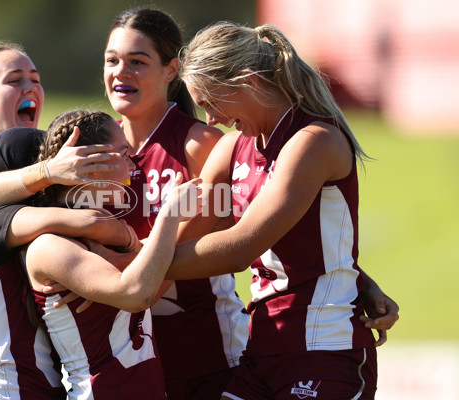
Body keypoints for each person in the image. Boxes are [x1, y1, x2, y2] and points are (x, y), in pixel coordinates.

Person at [163, 21, 398, 399]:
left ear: (248, 82)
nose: (211, 121)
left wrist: (133, 266)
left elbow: (240, 246)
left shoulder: (313, 142)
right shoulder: (232, 148)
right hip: (262, 352)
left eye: (210, 103)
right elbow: (184, 235)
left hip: (324, 352)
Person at [0, 109, 203, 399]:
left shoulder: (101, 228)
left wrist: (126, 238)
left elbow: (149, 261)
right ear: (91, 164)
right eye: (123, 153)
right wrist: (170, 215)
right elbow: (138, 292)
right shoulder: (49, 245)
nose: (132, 163)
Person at [0, 40, 125, 400]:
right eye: (15, 80)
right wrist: (50, 171)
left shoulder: (24, 158)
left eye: (35, 79)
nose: (31, 88)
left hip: (31, 363)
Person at [101, 8, 249, 400]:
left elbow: (267, 223)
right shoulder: (95, 151)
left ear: (171, 70)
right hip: (127, 360)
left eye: (138, 61)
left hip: (207, 357)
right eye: (112, 60)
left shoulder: (201, 145)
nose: (121, 72)